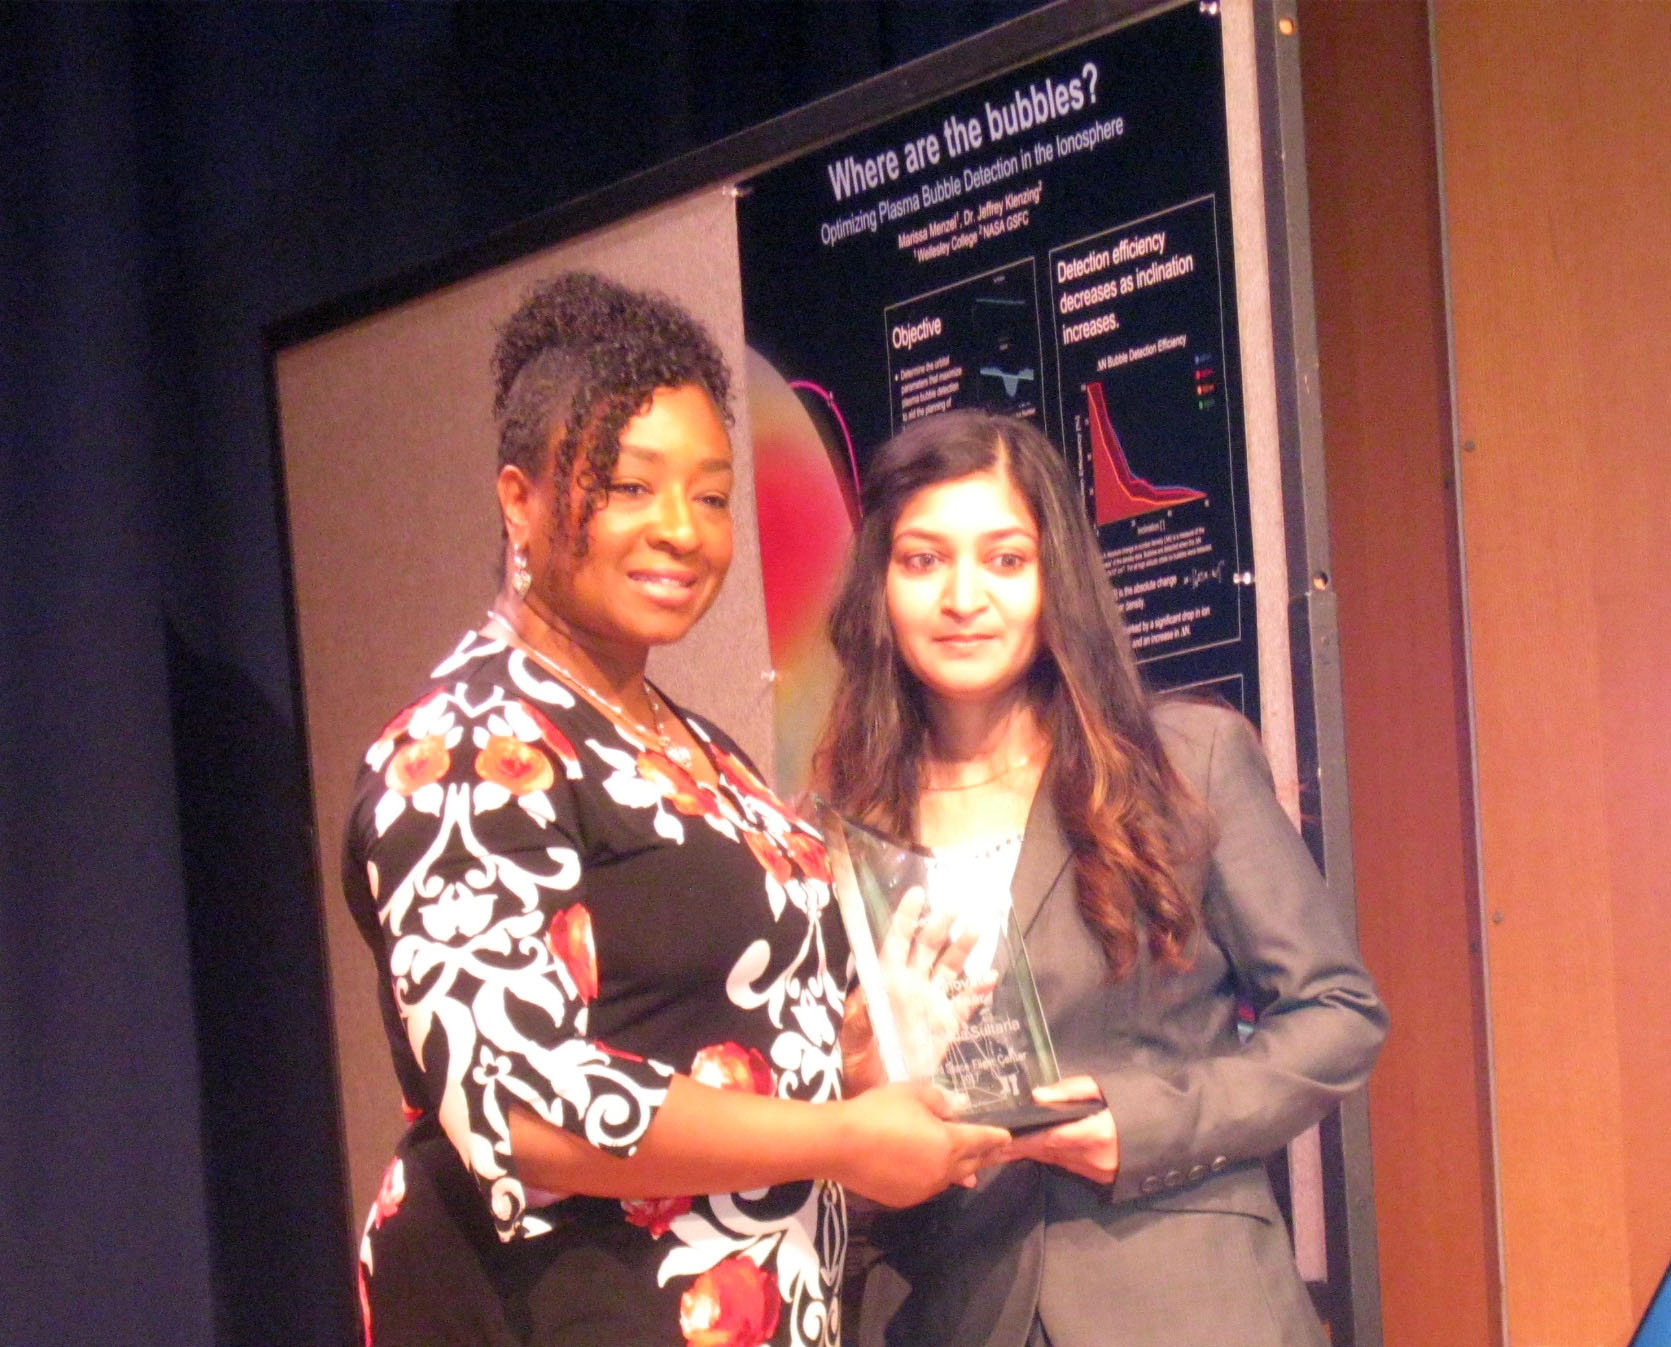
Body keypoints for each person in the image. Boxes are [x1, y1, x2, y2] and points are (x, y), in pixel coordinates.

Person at [342, 274, 1007, 1347]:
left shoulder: (696, 746)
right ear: (518, 498)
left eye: (709, 495)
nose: (680, 531)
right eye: (626, 486)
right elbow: (522, 1102)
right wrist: (841, 1137)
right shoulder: (463, 748)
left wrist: (870, 1058)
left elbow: (728, 1043)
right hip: (567, 1309)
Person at [814, 409, 1387, 1347]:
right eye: (922, 561)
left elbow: (1336, 1012)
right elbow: (814, 1120)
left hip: (1182, 1296)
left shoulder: (1182, 761)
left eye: (1004, 559)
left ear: (1056, 581)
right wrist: (860, 1077)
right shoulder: (832, 822)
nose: (963, 596)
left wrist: (1140, 1124)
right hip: (941, 1302)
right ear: (879, 584)